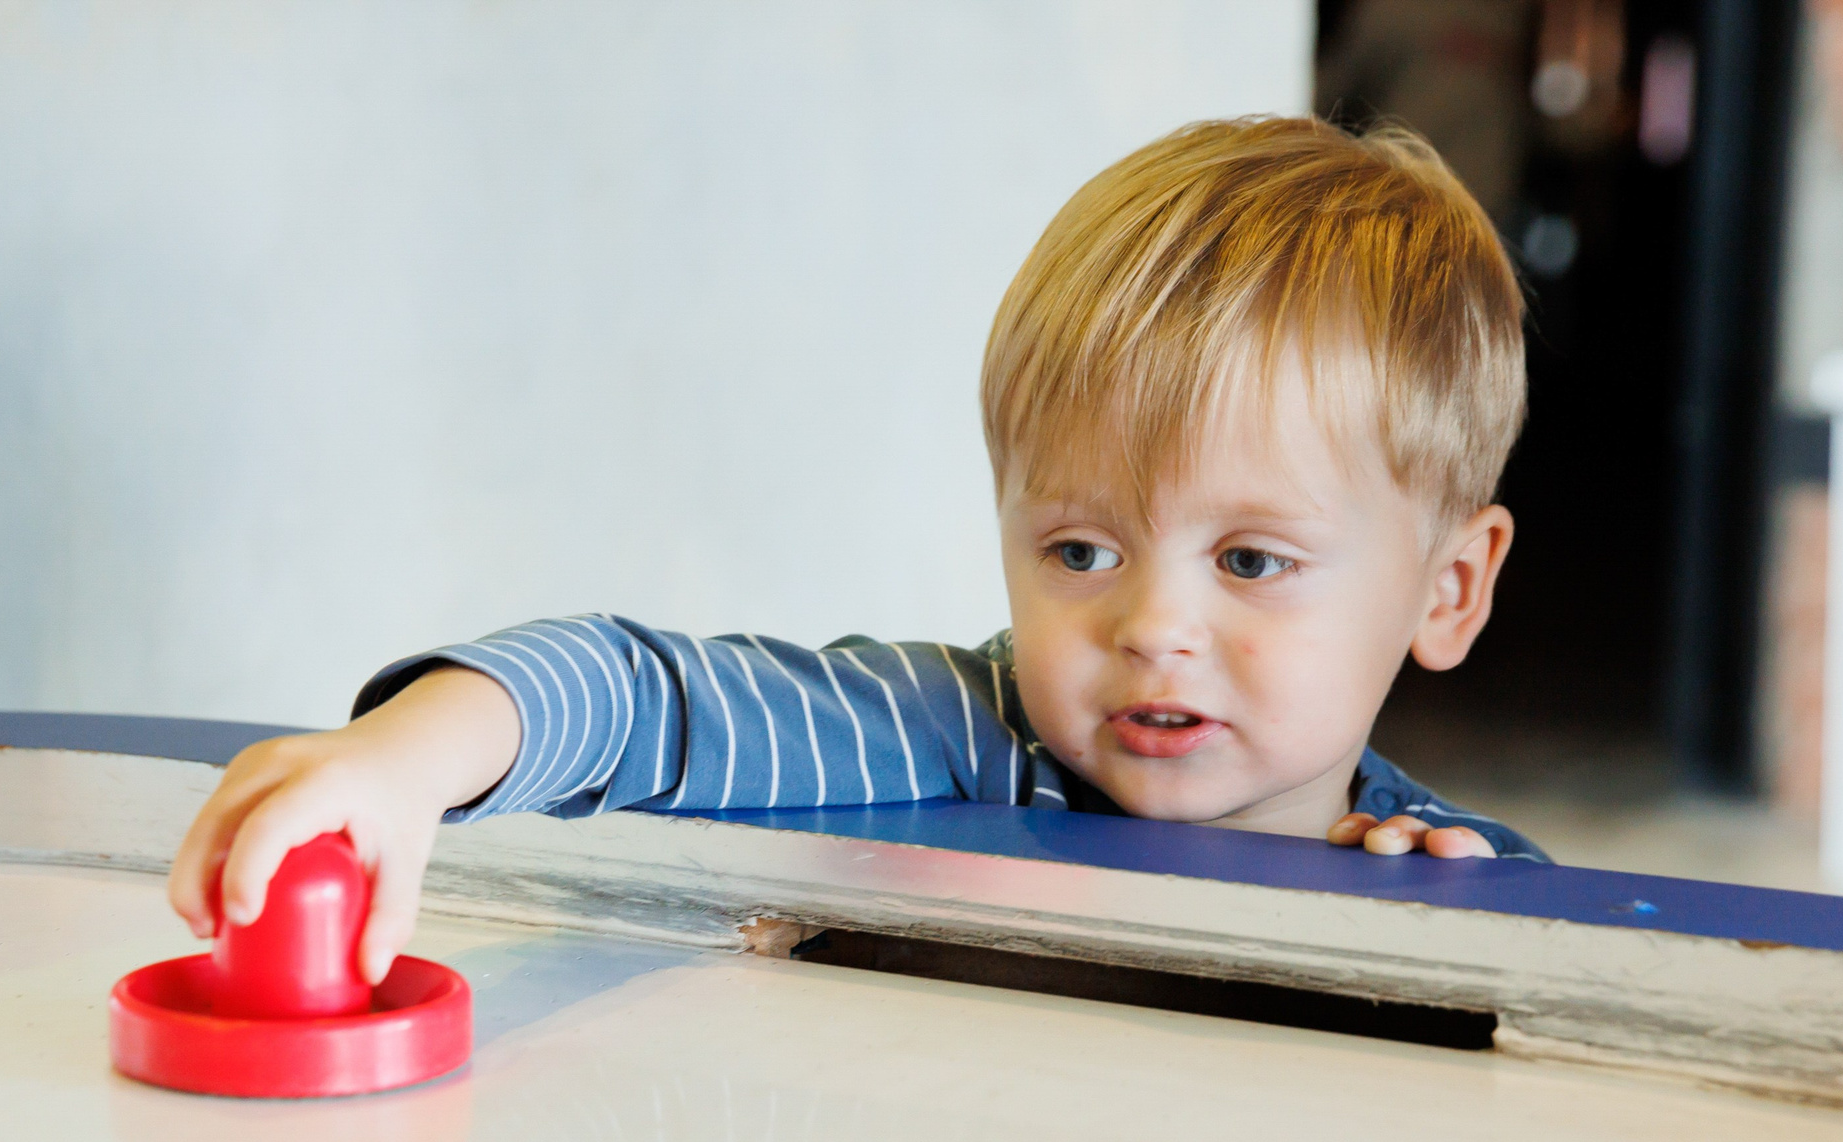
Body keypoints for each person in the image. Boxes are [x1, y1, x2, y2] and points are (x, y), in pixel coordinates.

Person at [169, 115, 1544, 984]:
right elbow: (646, 700)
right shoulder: (946, 733)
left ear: (1447, 587)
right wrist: (401, 763)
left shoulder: (1467, 878)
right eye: (1080, 550)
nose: (1151, 626)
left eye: (1250, 561)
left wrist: (1469, 948)